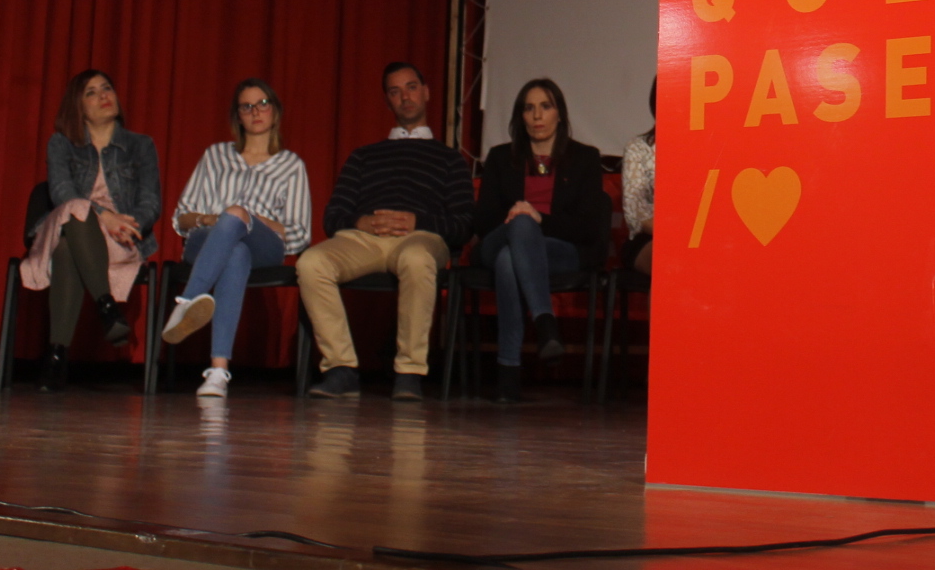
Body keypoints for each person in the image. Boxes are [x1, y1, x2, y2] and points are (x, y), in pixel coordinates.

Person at [299, 62, 473, 401]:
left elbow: (464, 224)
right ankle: (341, 369)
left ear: (426, 93)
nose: (404, 97)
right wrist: (361, 222)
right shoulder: (363, 156)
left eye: (411, 87)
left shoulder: (450, 159)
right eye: (395, 91)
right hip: (364, 238)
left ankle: (409, 373)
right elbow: (333, 217)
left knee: (416, 258)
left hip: (420, 237)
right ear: (387, 101)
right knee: (311, 263)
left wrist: (417, 222)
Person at [161, 78, 312, 397]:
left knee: (237, 217)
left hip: (264, 246)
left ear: (275, 111)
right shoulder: (215, 156)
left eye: (263, 104)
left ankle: (187, 301)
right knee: (235, 252)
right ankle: (218, 372)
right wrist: (211, 220)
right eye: (247, 106)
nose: (256, 111)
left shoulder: (291, 165)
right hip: (208, 239)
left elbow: (299, 233)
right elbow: (181, 217)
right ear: (238, 116)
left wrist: (249, 219)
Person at [20, 69, 162, 390]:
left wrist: (126, 225)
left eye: (107, 88)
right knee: (77, 211)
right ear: (79, 106)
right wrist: (104, 215)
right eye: (91, 92)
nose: (103, 96)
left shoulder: (141, 145)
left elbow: (151, 202)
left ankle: (56, 356)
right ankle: (106, 306)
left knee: (67, 249)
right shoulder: (61, 143)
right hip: (65, 224)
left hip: (119, 237)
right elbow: (62, 192)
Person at [471, 78, 610, 402]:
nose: (537, 116)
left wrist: (539, 219)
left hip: (559, 250)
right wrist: (521, 218)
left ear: (559, 113)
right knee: (519, 227)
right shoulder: (500, 157)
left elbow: (588, 228)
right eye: (529, 108)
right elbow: (483, 220)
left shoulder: (584, 158)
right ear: (520, 116)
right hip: (498, 239)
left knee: (510, 258)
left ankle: (508, 371)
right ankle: (545, 324)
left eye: (545, 107)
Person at [620, 80, 655, 276]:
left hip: (702, 240)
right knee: (674, 255)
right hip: (648, 239)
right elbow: (638, 216)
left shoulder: (710, 148)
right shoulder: (638, 148)